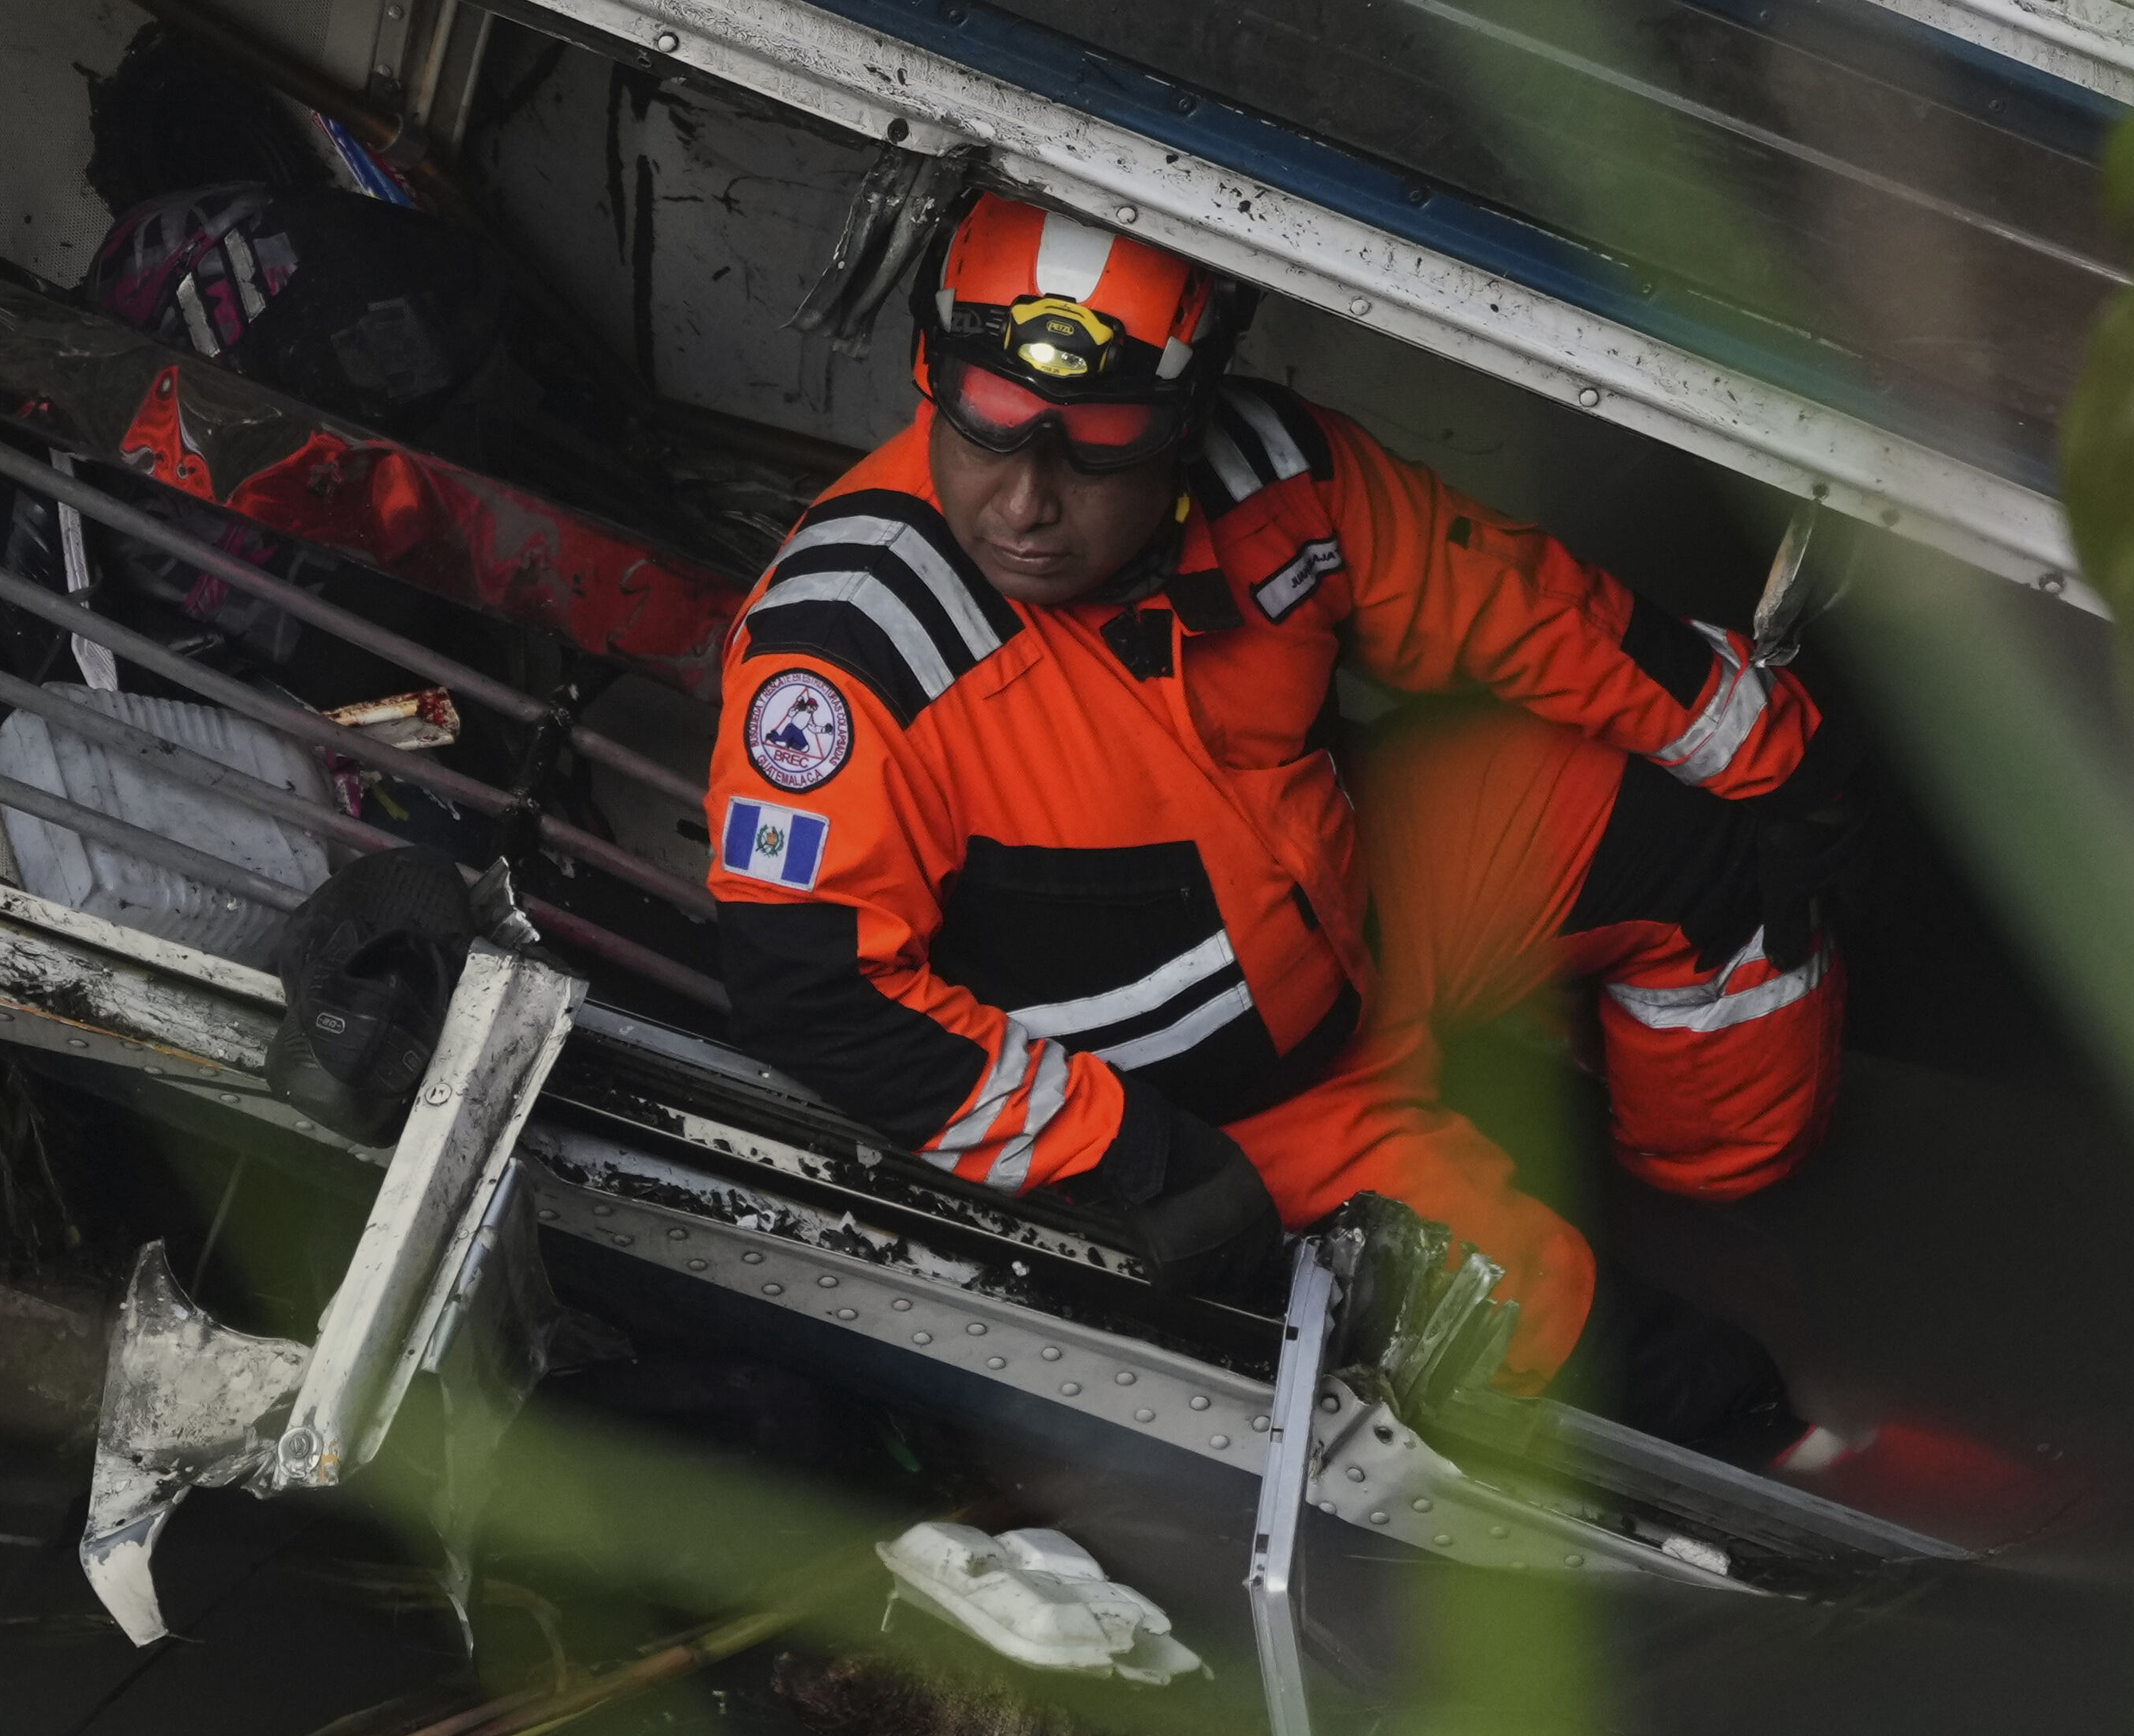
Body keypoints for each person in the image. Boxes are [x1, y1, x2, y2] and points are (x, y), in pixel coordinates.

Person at [701, 194, 1852, 1455]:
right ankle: (1788, 1441)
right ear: (935, 376)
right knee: (1653, 1382)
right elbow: (814, 993)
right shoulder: (853, 654)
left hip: (1362, 923)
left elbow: (1508, 600)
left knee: (1716, 831)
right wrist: (1148, 1165)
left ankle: (1724, 1212)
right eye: (987, 426)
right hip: (1222, 1114)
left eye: (1097, 444)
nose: (1026, 502)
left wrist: (1769, 747)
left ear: (1183, 429)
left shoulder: (1281, 480)